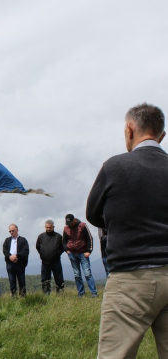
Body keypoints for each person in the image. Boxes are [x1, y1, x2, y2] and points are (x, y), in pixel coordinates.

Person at [86, 103, 168, 358]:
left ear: (129, 130)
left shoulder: (115, 167)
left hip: (132, 279)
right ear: (161, 136)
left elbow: (92, 214)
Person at [62, 214, 97, 298]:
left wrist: (89, 251)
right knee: (77, 275)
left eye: (70, 222)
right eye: (67, 223)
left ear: (74, 220)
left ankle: (94, 293)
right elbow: (64, 241)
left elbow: (90, 238)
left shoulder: (83, 225)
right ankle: (81, 293)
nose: (69, 225)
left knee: (87, 274)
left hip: (83, 253)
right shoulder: (66, 228)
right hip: (72, 254)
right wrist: (67, 250)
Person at [35, 220, 65, 294]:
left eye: (50, 227)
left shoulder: (58, 236)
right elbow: (37, 247)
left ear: (53, 227)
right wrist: (42, 254)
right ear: (45, 227)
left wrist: (57, 254)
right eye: (47, 227)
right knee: (45, 279)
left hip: (56, 261)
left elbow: (62, 247)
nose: (48, 229)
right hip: (45, 262)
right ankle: (46, 294)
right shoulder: (41, 236)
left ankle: (60, 293)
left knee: (59, 279)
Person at [2, 224, 30, 297]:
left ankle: (22, 297)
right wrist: (10, 257)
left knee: (21, 281)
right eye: (10, 231)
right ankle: (13, 297)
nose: (11, 232)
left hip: (20, 263)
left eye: (13, 230)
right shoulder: (7, 240)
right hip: (10, 263)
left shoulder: (23, 240)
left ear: (17, 230)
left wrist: (17, 256)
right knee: (12, 281)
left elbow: (26, 251)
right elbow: (4, 250)